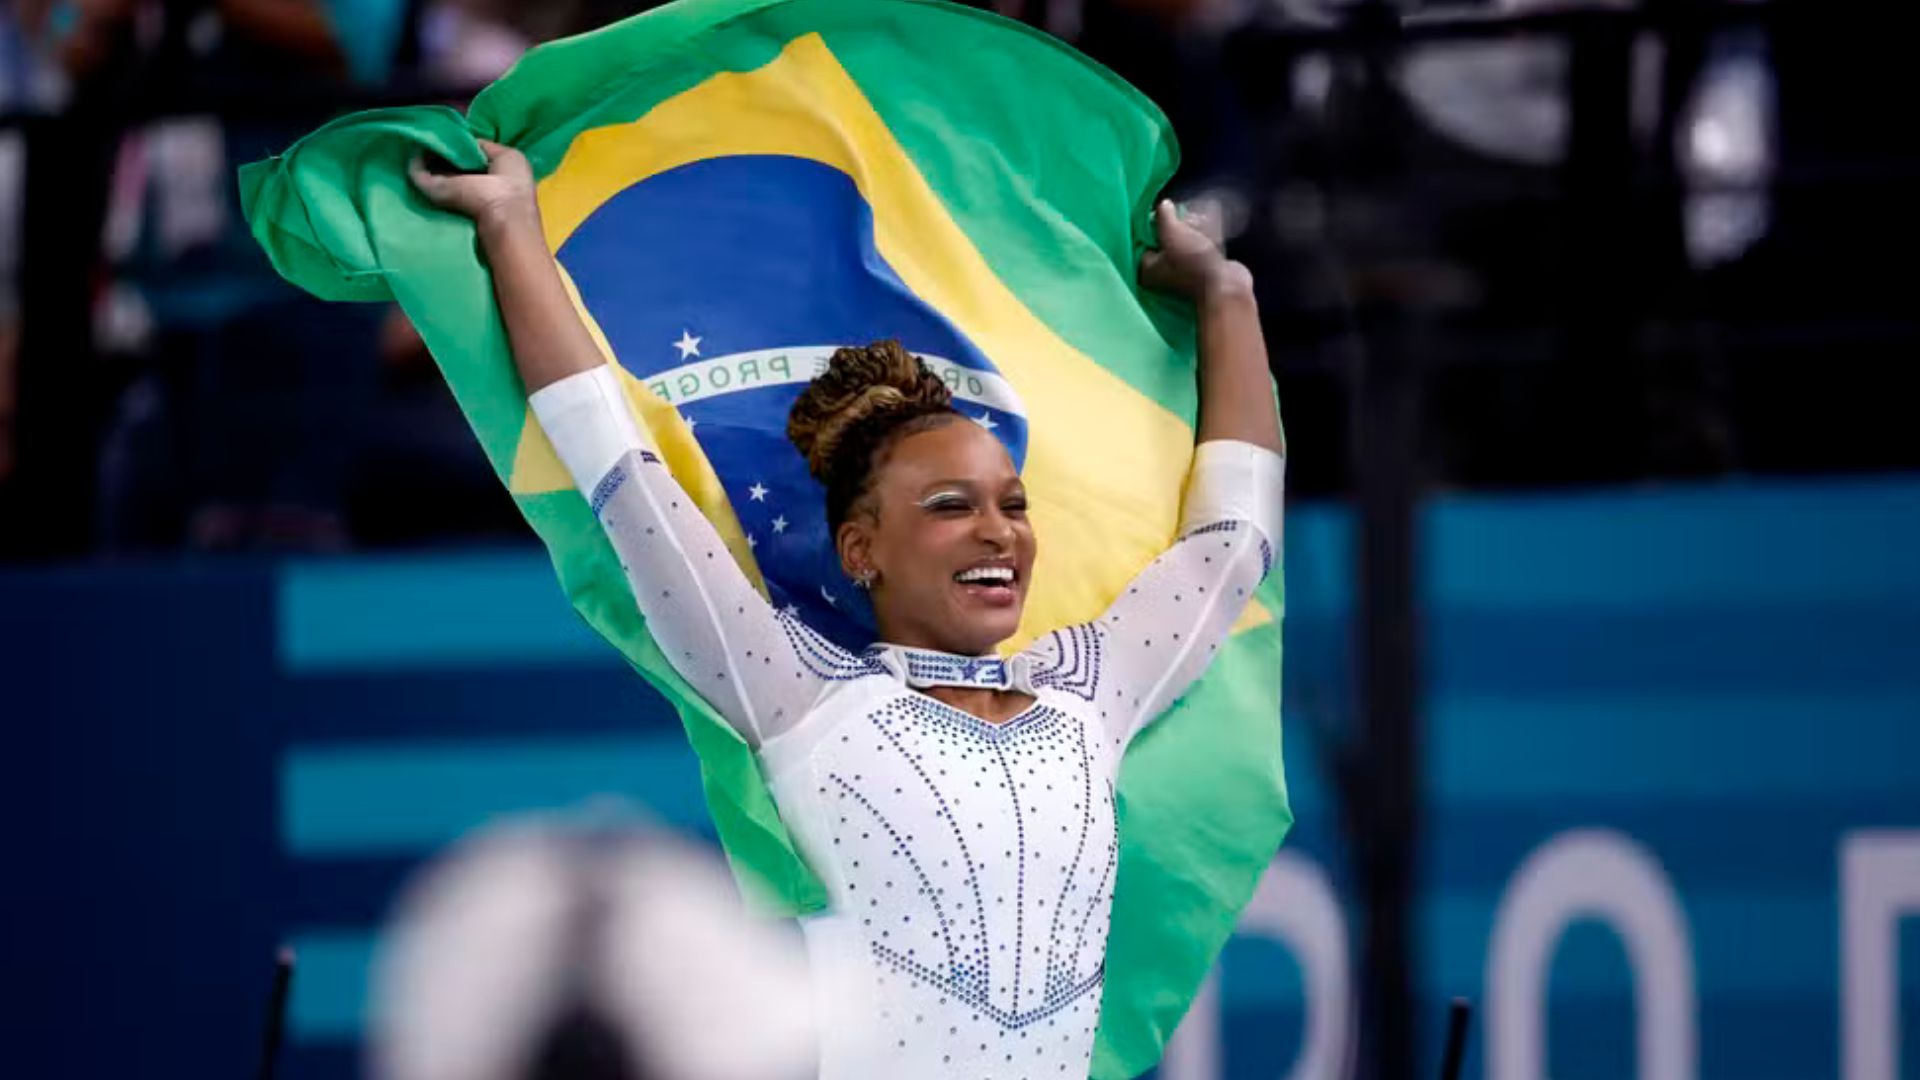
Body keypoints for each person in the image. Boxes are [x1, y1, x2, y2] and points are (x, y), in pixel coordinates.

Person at [409, 138, 1285, 1079]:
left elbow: (1231, 541)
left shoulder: (1090, 692)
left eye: (1012, 504)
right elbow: (619, 470)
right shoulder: (802, 694)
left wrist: (1227, 296)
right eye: (951, 507)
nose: (1001, 533)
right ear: (861, 549)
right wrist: (512, 229)